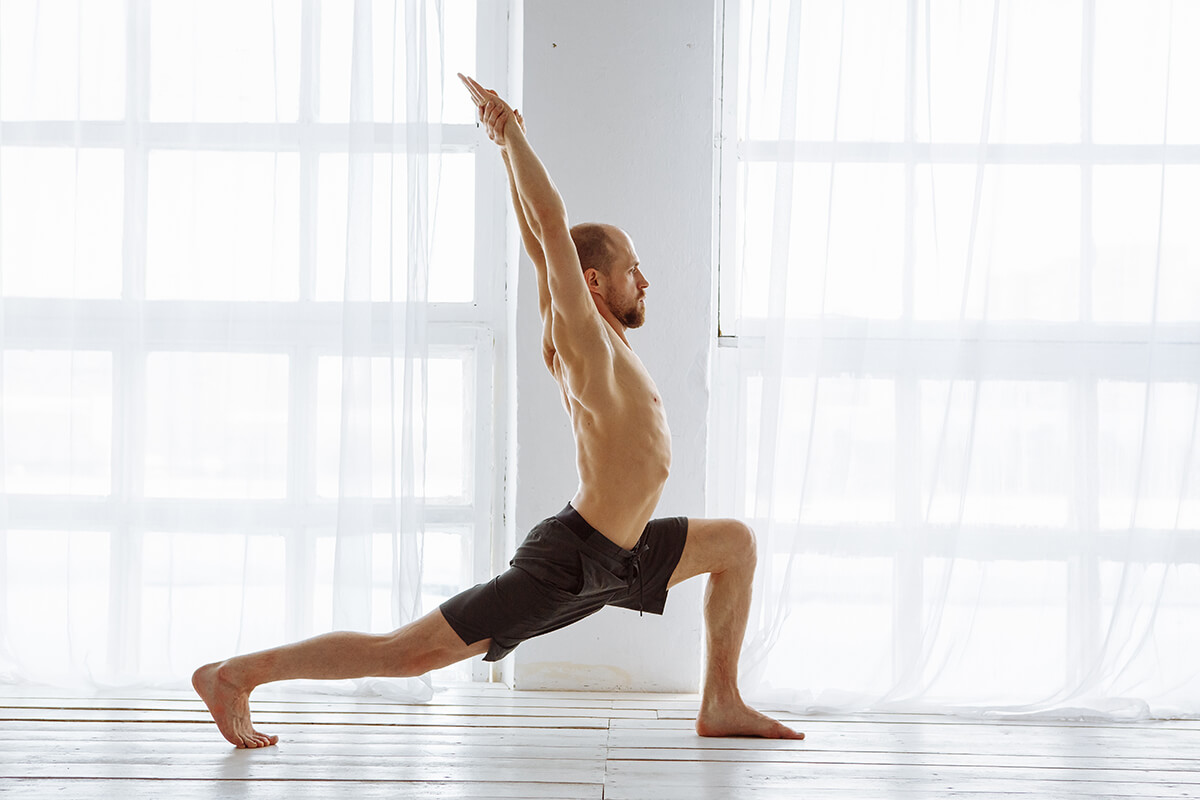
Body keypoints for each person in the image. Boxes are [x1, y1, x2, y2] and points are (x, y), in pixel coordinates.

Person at [192, 74, 803, 748]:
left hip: (628, 555)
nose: (646, 279)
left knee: (736, 544)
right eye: (634, 268)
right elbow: (550, 232)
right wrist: (513, 132)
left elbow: (543, 248)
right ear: (594, 281)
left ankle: (720, 701)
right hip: (573, 560)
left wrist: (504, 148)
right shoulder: (582, 340)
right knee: (407, 654)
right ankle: (236, 675)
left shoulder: (610, 342)